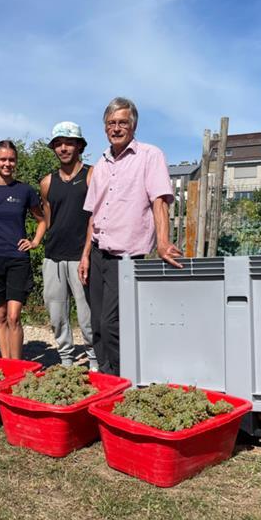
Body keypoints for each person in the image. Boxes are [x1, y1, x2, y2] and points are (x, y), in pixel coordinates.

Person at [80, 97, 183, 376]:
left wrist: (162, 243)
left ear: (133, 125)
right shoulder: (100, 164)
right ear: (104, 128)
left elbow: (159, 201)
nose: (116, 128)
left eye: (122, 122)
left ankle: (125, 379)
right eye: (111, 123)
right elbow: (94, 213)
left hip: (126, 258)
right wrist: (85, 255)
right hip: (99, 252)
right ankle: (105, 376)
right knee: (97, 326)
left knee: (114, 324)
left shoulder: (150, 156)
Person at [0, 140, 46, 359]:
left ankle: (17, 364)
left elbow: (42, 220)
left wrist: (35, 241)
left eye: (11, 159)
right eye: (3, 159)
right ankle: (6, 365)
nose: (7, 164)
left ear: (16, 162)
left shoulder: (25, 191)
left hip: (17, 260)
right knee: (1, 316)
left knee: (14, 316)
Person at [39, 121, 97, 370]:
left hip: (81, 256)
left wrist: (88, 252)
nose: (63, 148)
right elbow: (48, 216)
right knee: (57, 314)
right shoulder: (47, 182)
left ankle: (94, 359)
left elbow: (96, 216)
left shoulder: (92, 174)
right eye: (58, 143)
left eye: (69, 143)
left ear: (79, 146)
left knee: (87, 315)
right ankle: (66, 360)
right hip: (53, 256)